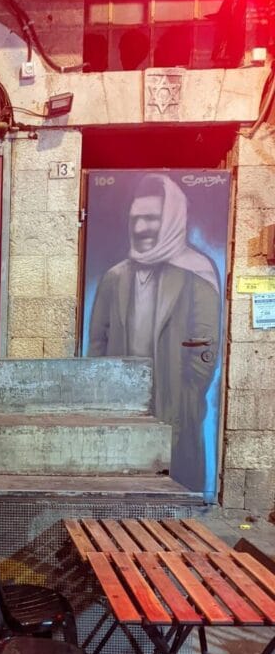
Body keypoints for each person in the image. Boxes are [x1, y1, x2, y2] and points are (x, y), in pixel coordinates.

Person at [87, 172, 220, 493]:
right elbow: (97, 342)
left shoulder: (197, 273)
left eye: (151, 218)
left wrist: (184, 398)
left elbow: (206, 348)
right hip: (123, 407)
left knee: (173, 494)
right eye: (135, 219)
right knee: (121, 488)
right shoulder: (115, 277)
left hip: (174, 412)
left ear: (172, 218)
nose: (140, 228)